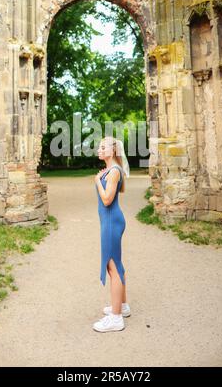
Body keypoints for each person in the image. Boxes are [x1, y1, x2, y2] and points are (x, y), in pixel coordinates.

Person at [93, 136, 130, 332]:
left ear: (113, 150)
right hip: (111, 221)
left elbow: (107, 200)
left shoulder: (113, 171)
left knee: (112, 267)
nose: (98, 149)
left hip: (111, 222)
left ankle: (116, 319)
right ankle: (122, 306)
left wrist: (97, 180)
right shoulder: (111, 169)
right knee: (117, 265)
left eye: (102, 147)